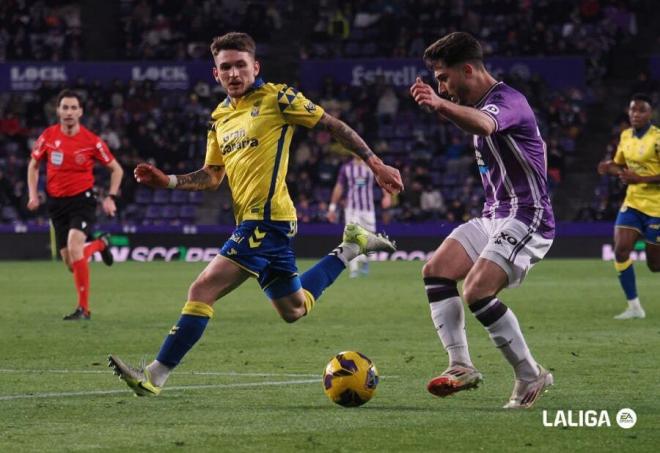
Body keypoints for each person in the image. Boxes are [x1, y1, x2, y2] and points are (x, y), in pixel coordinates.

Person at [108, 32, 403, 396]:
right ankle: (351, 247)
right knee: (294, 309)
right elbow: (212, 176)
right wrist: (168, 181)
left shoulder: (279, 98)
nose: (234, 73)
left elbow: (332, 125)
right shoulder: (219, 119)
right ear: (215, 74)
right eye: (225, 67)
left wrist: (375, 163)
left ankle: (155, 374)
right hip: (260, 222)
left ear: (255, 66)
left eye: (240, 65)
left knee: (202, 288)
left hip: (266, 220)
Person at [410, 32, 555, 409]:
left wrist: (439, 104)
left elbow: (486, 125)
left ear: (468, 70)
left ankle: (529, 374)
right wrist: (444, 103)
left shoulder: (509, 101)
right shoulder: (479, 106)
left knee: (476, 291)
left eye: (443, 77)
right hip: (495, 215)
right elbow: (475, 122)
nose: (441, 85)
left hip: (529, 215)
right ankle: (460, 365)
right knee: (436, 270)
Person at [27, 89, 124, 320]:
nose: (69, 112)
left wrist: (110, 197)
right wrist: (33, 195)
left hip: (82, 201)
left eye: (73, 108)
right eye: (65, 107)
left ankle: (84, 309)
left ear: (80, 112)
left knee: (74, 246)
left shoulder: (91, 141)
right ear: (58, 110)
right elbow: (33, 165)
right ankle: (100, 245)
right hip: (56, 204)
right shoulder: (48, 137)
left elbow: (116, 169)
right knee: (72, 263)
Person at [597, 93, 660, 319]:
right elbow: (621, 166)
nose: (635, 114)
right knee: (621, 250)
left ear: (650, 113)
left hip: (657, 207)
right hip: (633, 203)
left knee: (655, 265)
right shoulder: (625, 136)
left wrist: (641, 179)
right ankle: (634, 307)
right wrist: (609, 167)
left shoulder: (657, 138)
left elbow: (637, 176)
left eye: (641, 110)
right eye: (633, 110)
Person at [327, 157, 392, 277]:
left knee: (369, 239)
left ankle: (365, 262)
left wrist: (386, 195)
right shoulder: (346, 168)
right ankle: (354, 269)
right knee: (351, 238)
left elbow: (382, 179)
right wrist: (332, 207)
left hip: (368, 209)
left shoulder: (372, 166)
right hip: (351, 209)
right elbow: (339, 187)